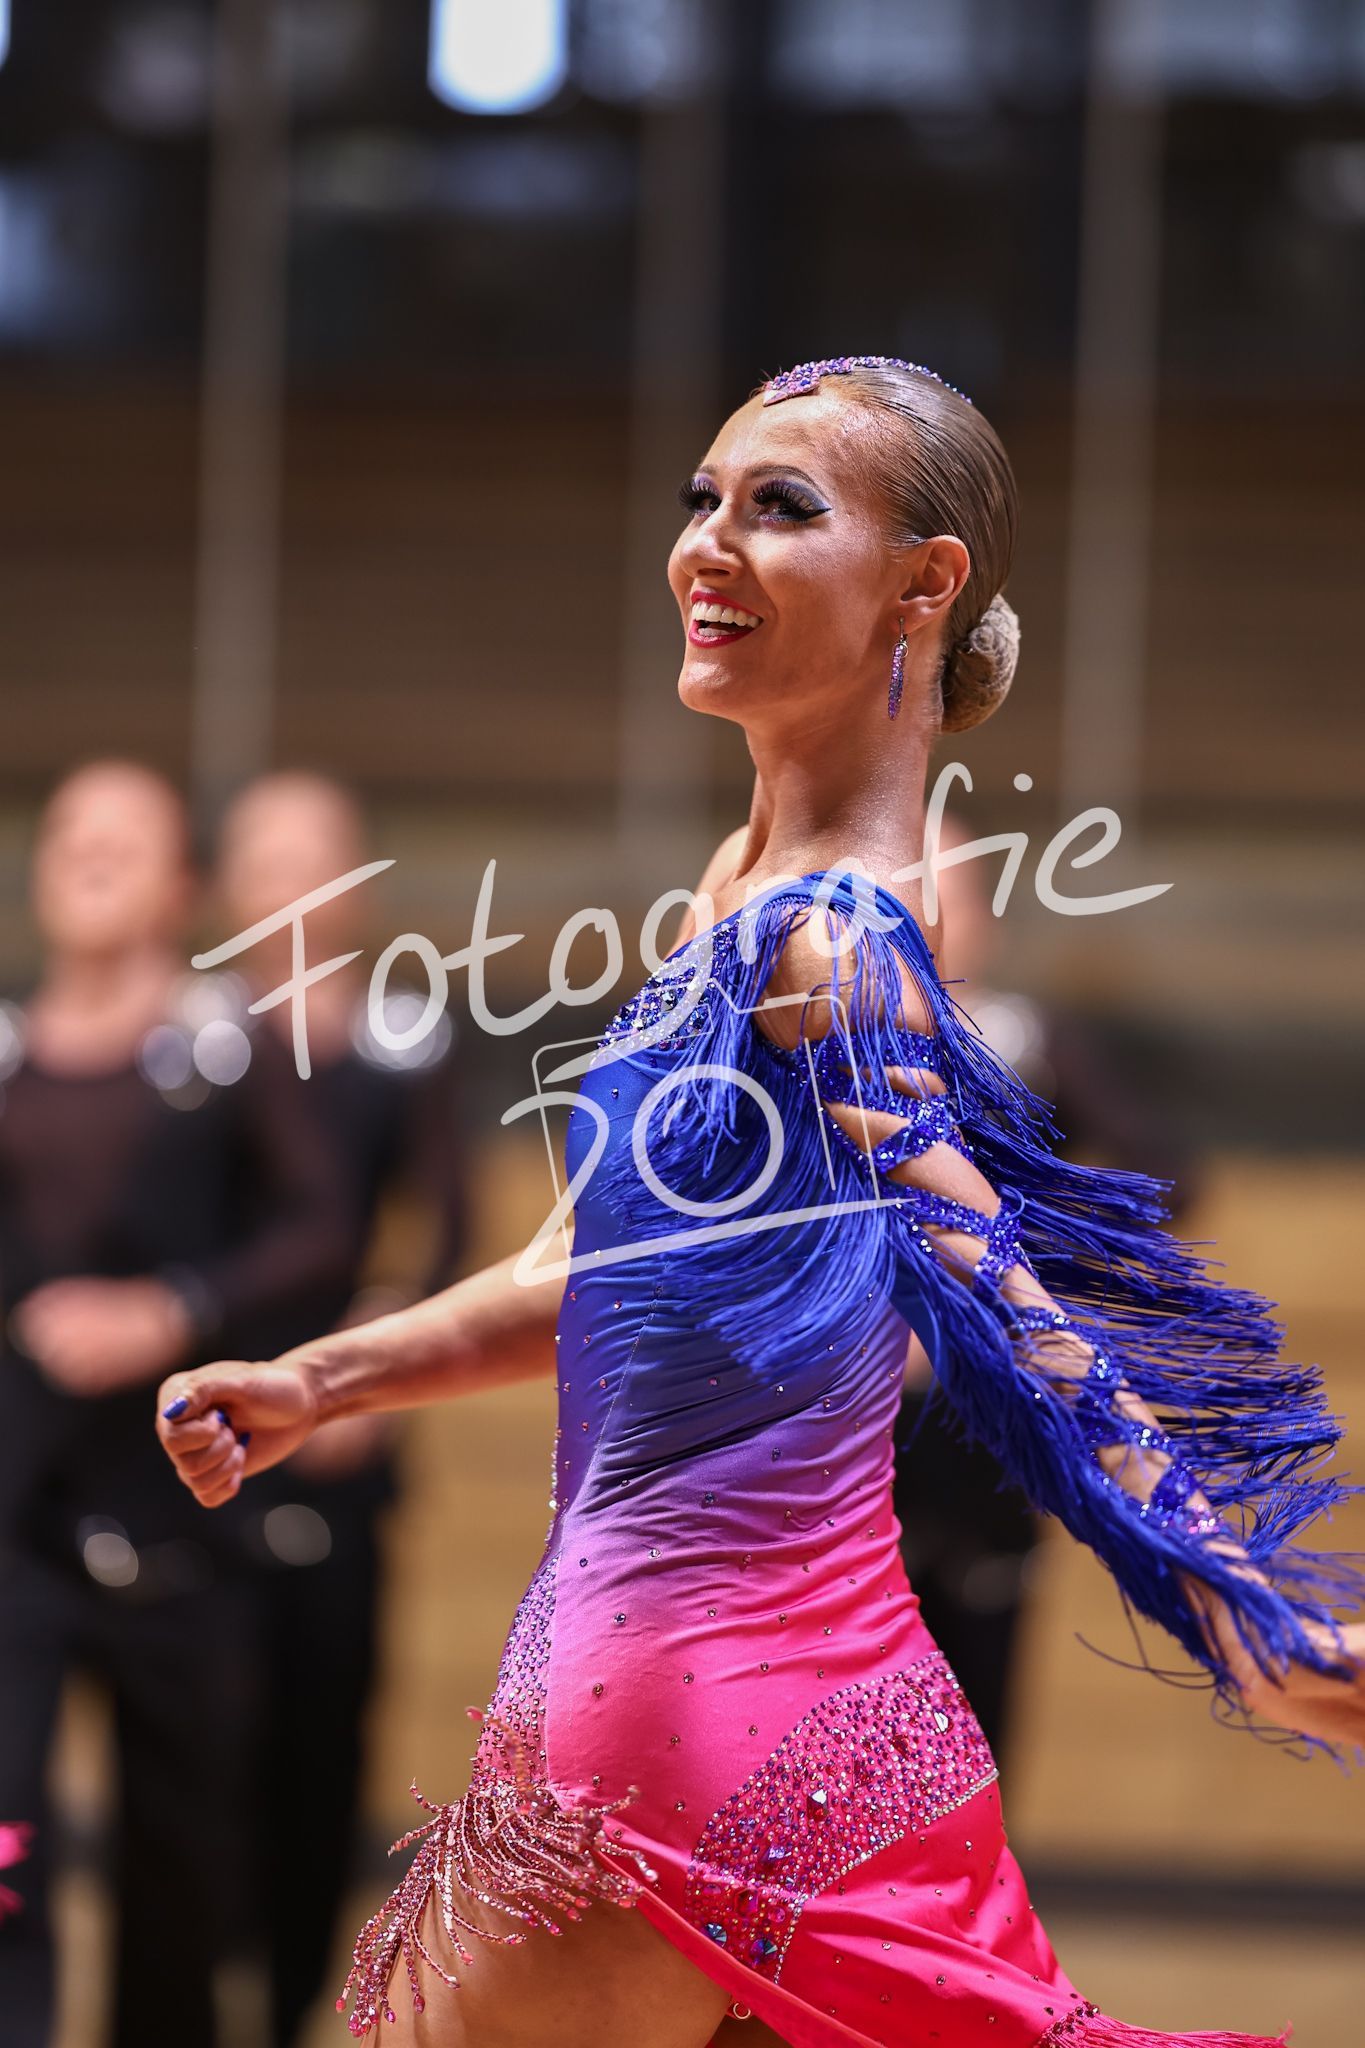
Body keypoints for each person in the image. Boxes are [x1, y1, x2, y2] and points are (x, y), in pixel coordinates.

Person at [156, 357, 1365, 2048]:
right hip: (823, 1702)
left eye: (780, 507)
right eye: (702, 500)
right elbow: (593, 1266)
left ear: (923, 586)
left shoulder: (829, 936)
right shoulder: (737, 896)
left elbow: (994, 1287)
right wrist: (321, 1378)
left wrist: (1227, 1592)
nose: (707, 544)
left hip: (684, 1700)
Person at [0, 760, 353, 2048]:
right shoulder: (4, 1050)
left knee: (177, 1871)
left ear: (179, 886)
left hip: (185, 1515)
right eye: (68, 832)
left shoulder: (227, 1049)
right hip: (17, 1516)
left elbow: (320, 1226)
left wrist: (172, 1308)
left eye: (125, 838)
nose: (88, 853)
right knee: (3, 1842)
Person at [211, 770, 471, 2048]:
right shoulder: (194, 1044)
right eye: (269, 860)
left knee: (321, 1732)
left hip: (344, 1438)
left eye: (319, 859)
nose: (294, 887)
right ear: (226, 885)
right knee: (205, 1735)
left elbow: (443, 1220)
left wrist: (372, 1370)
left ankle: (288, 2002)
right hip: (201, 1434)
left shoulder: (404, 1038)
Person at [892, 810, 1202, 1762]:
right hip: (845, 1406)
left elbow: (1167, 1173)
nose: (929, 916)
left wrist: (1025, 1262)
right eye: (906, 891)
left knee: (976, 1678)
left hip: (983, 1402)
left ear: (986, 915)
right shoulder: (826, 1040)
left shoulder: (1025, 1037)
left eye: (950, 892)